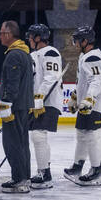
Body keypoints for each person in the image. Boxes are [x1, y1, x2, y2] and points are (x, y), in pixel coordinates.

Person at [63, 26, 101, 187]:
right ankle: (77, 167)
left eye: (77, 39)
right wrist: (75, 97)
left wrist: (89, 99)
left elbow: (96, 81)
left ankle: (96, 172)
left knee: (92, 136)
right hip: (86, 103)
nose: (75, 43)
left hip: (93, 105)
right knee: (82, 134)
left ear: (85, 41)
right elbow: (83, 82)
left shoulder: (93, 57)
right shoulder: (87, 56)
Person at [0, 20, 33, 193]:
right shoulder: (25, 53)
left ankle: (19, 179)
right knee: (22, 142)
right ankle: (24, 176)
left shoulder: (14, 55)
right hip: (24, 105)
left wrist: (6, 104)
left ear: (9, 34)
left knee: (12, 143)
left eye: (1, 33)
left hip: (15, 107)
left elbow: (13, 83)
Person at [27, 23, 64, 189]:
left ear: (37, 38)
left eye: (30, 36)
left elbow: (51, 77)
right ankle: (44, 171)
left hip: (47, 102)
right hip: (38, 102)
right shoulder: (35, 54)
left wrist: (39, 97)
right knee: (38, 136)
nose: (28, 39)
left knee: (38, 135)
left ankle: (45, 174)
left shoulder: (50, 52)